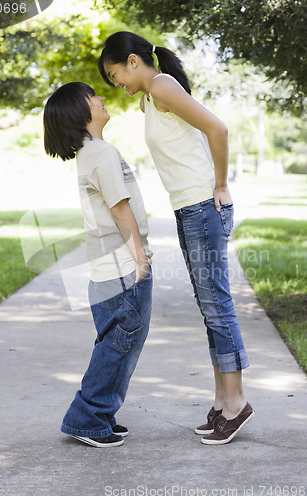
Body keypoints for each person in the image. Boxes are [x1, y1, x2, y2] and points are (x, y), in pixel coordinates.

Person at [98, 32, 254, 445]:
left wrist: (220, 185)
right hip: (190, 210)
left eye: (117, 76)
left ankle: (236, 403)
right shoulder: (152, 98)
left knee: (217, 306)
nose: (120, 86)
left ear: (133, 61)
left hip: (203, 206)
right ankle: (222, 403)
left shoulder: (163, 85)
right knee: (209, 308)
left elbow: (217, 129)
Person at [43, 81, 153, 448]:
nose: (101, 97)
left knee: (116, 342)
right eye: (93, 96)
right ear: (80, 112)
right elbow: (120, 208)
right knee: (121, 343)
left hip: (107, 268)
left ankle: (101, 413)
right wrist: (140, 255)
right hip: (121, 268)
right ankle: (87, 417)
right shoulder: (102, 152)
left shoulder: (90, 154)